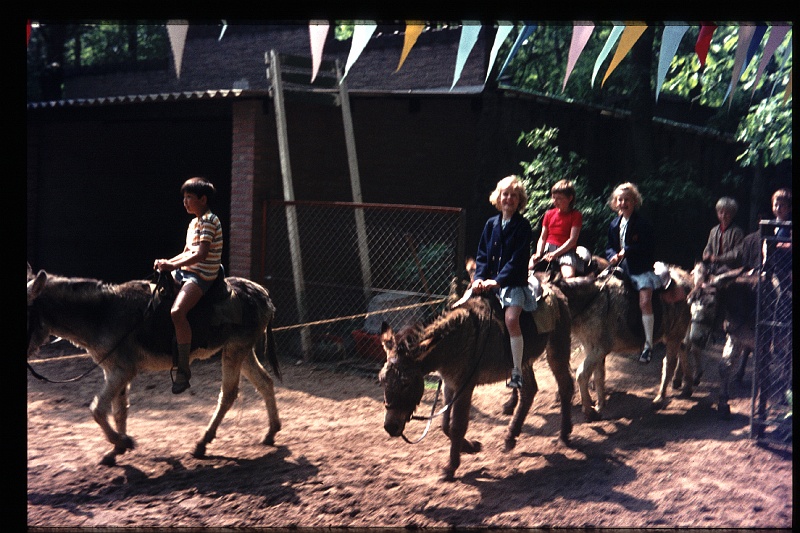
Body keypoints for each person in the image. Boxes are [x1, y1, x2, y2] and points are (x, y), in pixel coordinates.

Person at [154, 177, 224, 394]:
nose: (185, 201)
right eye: (184, 197)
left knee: (177, 311)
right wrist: (167, 264)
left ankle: (183, 370)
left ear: (203, 199)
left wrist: (171, 265)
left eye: (189, 198)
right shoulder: (193, 223)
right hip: (185, 271)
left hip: (201, 275)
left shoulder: (211, 220)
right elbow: (187, 252)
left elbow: (201, 254)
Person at [471, 175, 535, 389]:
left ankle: (517, 371)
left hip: (513, 285)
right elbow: (481, 256)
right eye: (505, 194)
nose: (509, 199)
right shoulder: (490, 224)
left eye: (514, 196)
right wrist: (479, 278)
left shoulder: (523, 226)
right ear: (498, 198)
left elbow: (517, 260)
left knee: (510, 319)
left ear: (520, 201)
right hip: (489, 283)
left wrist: (496, 281)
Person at [604, 182, 662, 365]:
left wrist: (628, 250)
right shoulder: (614, 224)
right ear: (615, 203)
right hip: (620, 269)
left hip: (640, 269)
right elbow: (609, 247)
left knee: (645, 301)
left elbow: (648, 246)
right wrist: (613, 256)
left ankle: (648, 344)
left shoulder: (642, 224)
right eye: (620, 200)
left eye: (627, 200)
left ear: (634, 201)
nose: (623, 203)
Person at [529, 179, 585, 278]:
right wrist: (538, 253)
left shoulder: (576, 215)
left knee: (568, 276)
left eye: (559, 198)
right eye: (553, 197)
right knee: (530, 268)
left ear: (570, 198)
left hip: (566, 250)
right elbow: (543, 237)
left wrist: (555, 254)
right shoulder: (548, 214)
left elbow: (572, 240)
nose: (555, 201)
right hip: (548, 248)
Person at [702, 196, 744, 274]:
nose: (723, 216)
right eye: (721, 212)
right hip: (714, 268)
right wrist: (707, 254)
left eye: (727, 213)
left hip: (731, 269)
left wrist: (719, 258)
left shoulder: (737, 232)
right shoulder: (714, 231)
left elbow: (737, 252)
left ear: (732, 214)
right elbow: (708, 246)